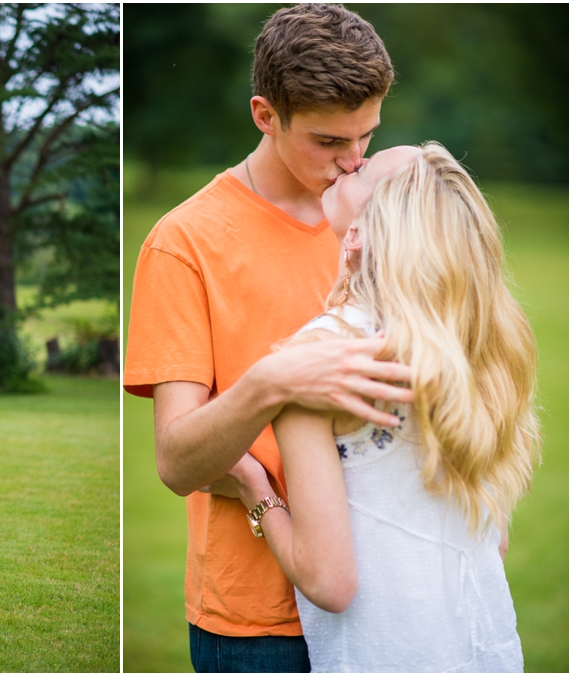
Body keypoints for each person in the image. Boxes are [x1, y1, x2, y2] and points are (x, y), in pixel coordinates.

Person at [124, 4, 412, 671]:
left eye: (365, 136)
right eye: (327, 142)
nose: (352, 163)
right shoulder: (184, 241)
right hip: (258, 626)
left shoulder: (389, 219)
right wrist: (272, 390)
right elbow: (177, 460)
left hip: (393, 595)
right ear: (265, 115)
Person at [214, 142, 539, 671]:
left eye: (363, 169)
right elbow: (491, 544)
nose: (349, 162)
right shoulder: (468, 348)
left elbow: (330, 583)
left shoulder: (315, 361)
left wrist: (254, 488)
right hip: (485, 651)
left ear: (361, 232)